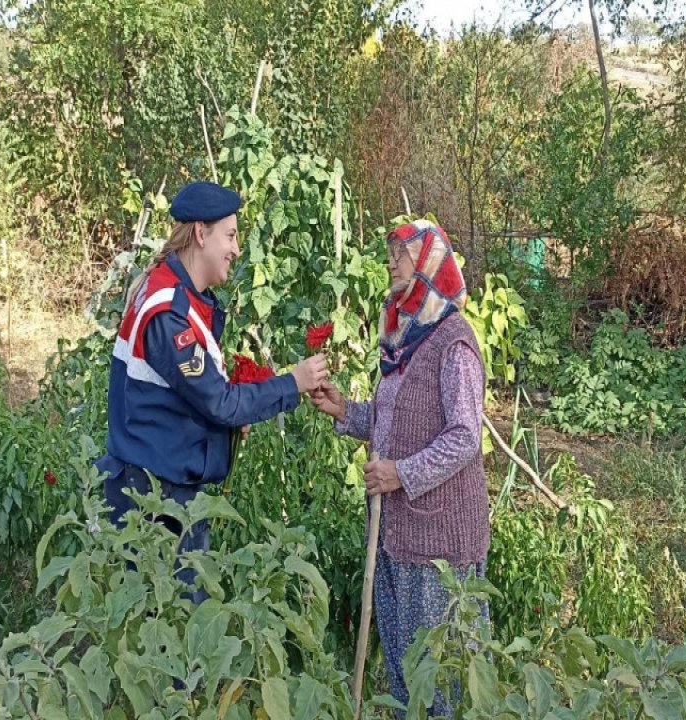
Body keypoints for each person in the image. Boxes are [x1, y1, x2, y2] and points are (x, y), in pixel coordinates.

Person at [96, 180, 329, 602]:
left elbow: (181, 397)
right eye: (231, 235)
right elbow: (218, 402)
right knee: (177, 638)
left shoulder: (173, 290)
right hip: (154, 502)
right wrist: (291, 384)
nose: (236, 250)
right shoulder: (170, 313)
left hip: (157, 486)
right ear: (201, 234)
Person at [310, 219, 489, 717]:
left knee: (442, 680)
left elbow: (463, 439)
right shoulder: (405, 339)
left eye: (401, 253)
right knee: (406, 675)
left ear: (430, 264)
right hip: (396, 534)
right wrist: (347, 412)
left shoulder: (453, 343)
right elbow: (395, 422)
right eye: (390, 252)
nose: (391, 261)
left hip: (439, 546)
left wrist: (400, 474)